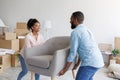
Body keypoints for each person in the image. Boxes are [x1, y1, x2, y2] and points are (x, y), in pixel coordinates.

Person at [58, 11, 104, 80]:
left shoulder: (75, 32)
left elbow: (72, 53)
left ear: (75, 19)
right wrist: (77, 64)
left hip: (90, 63)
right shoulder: (88, 30)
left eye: (71, 19)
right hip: (99, 61)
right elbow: (83, 49)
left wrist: (64, 70)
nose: (70, 21)